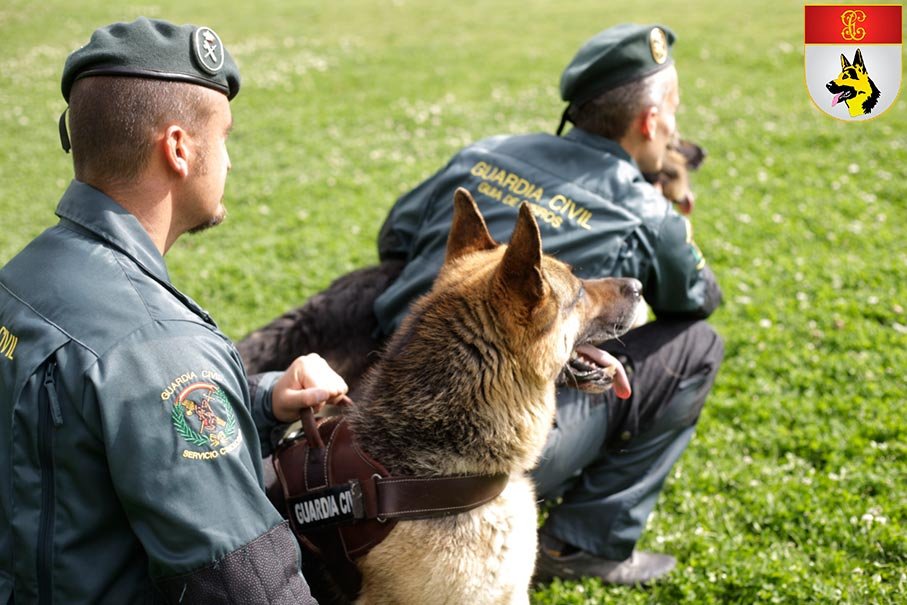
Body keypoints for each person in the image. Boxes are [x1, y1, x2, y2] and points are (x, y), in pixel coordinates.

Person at [0, 18, 347, 603]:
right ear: (180, 148)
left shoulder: (22, 278)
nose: (230, 162)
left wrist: (262, 400)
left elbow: (89, 431)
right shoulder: (156, 345)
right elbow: (250, 587)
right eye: (226, 136)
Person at [373, 23, 724, 585]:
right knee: (698, 346)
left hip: (380, 397)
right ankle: (588, 541)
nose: (675, 127)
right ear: (651, 121)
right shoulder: (648, 208)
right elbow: (699, 299)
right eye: (674, 111)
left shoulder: (484, 151)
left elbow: (395, 239)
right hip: (486, 440)